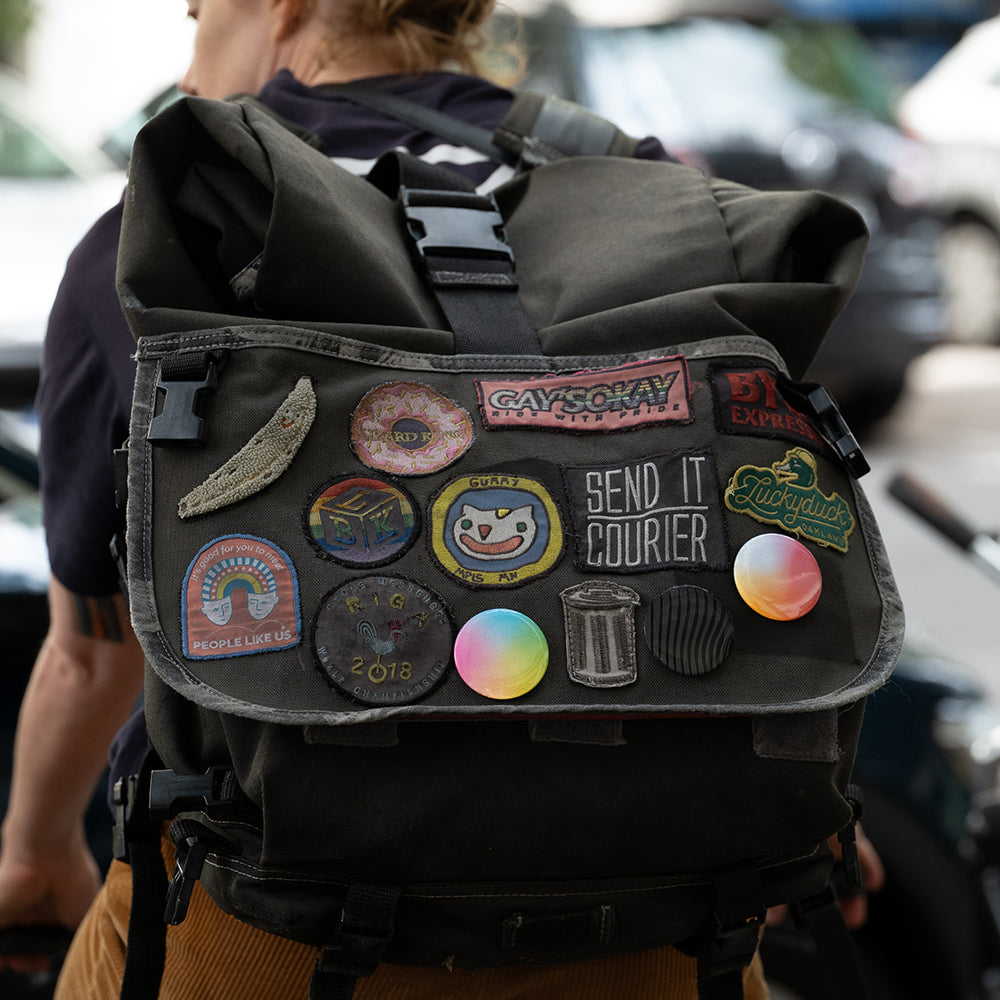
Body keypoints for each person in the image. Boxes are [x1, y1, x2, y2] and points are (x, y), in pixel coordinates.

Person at [0, 1, 880, 996]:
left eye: (201, 2)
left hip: (270, 920)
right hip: (661, 912)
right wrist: (825, 812)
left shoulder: (168, 229)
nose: (192, 24)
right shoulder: (656, 198)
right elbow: (764, 515)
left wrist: (33, 851)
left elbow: (90, 654)